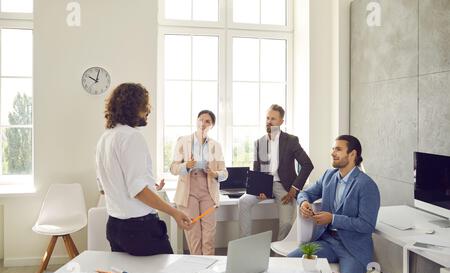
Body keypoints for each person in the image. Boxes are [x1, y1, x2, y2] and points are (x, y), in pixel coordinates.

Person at [96, 83, 192, 256]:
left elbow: (105, 187)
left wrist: (150, 187)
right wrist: (174, 212)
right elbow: (138, 190)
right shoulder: (132, 137)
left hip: (114, 227)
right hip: (139, 229)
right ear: (133, 106)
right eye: (145, 105)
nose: (149, 109)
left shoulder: (105, 138)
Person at [288, 135, 381, 273]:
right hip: (327, 242)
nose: (333, 153)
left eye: (338, 149)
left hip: (353, 249)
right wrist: (303, 203)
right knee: (289, 263)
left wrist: (333, 219)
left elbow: (367, 225)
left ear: (353, 154)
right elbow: (305, 193)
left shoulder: (367, 185)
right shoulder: (328, 176)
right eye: (333, 149)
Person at [238, 105, 314, 241]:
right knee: (243, 201)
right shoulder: (259, 142)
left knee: (286, 223)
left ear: (280, 122)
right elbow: (256, 170)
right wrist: (258, 188)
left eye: (273, 118)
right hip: (264, 184)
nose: (269, 121)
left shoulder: (291, 140)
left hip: (283, 186)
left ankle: (278, 256)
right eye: (267, 118)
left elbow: (308, 165)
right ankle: (245, 243)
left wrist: (294, 189)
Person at [170, 110, 228, 255]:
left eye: (207, 121)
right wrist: (186, 166)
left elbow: (224, 173)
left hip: (208, 191)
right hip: (188, 191)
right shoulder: (183, 141)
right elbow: (173, 168)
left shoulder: (216, 146)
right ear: (196, 121)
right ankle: (196, 269)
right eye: (201, 120)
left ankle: (208, 272)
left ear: (212, 126)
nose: (203, 123)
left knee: (209, 237)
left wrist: (214, 173)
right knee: (194, 236)